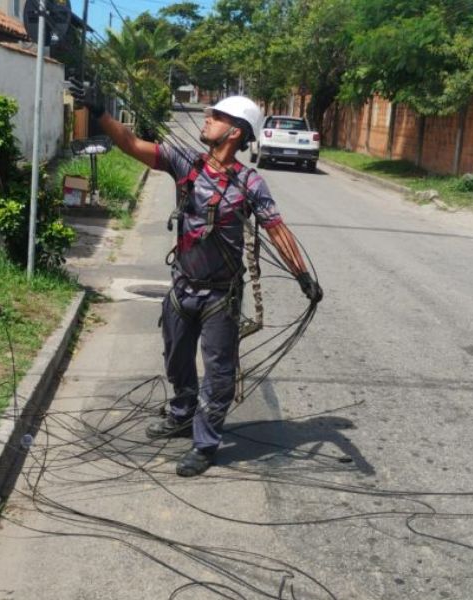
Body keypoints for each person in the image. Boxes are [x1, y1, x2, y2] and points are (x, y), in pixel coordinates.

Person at [70, 81, 323, 476]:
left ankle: (205, 444)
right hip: (182, 287)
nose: (207, 118)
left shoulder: (250, 183)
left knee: (219, 374)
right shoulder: (185, 162)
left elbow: (276, 228)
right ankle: (183, 413)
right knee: (176, 361)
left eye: (217, 116)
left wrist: (303, 275)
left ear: (235, 131)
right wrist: (100, 111)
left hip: (220, 297)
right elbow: (134, 145)